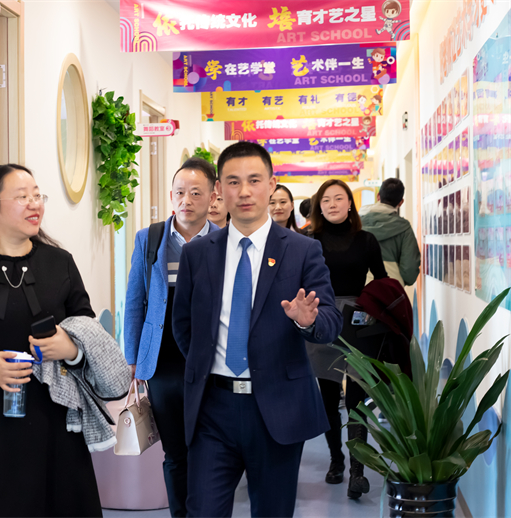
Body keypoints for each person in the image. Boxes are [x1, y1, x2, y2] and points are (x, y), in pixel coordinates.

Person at [172, 142, 342, 517]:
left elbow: (330, 323)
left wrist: (307, 321)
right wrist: (204, 366)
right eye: (234, 182)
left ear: (271, 184)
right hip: (212, 408)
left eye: (254, 180)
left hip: (277, 407)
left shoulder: (302, 250)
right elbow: (183, 326)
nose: (244, 191)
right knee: (203, 510)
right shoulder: (197, 253)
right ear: (220, 190)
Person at [0, 164, 102, 517]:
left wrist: (70, 349)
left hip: (57, 416)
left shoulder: (60, 262)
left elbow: (87, 328)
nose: (34, 204)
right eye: (22, 197)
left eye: (37, 195)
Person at [124, 157, 219, 517]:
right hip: (162, 364)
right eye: (180, 192)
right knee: (175, 453)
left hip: (211, 363)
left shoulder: (225, 242)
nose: (186, 200)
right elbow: (135, 301)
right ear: (170, 196)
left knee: (209, 450)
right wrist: (133, 359)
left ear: (213, 196)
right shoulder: (149, 239)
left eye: (195, 192)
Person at [307, 179, 388, 499]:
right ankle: (336, 459)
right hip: (322, 320)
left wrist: (372, 308)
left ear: (350, 203)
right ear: (319, 206)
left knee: (356, 398)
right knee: (328, 397)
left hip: (357, 323)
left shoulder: (366, 240)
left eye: (338, 198)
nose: (332, 204)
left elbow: (382, 281)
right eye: (326, 200)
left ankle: (357, 470)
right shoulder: (310, 240)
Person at [359, 178, 421, 286]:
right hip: (392, 288)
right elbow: (409, 268)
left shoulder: (356, 224)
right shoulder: (404, 228)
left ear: (378, 196)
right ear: (401, 202)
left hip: (360, 286)